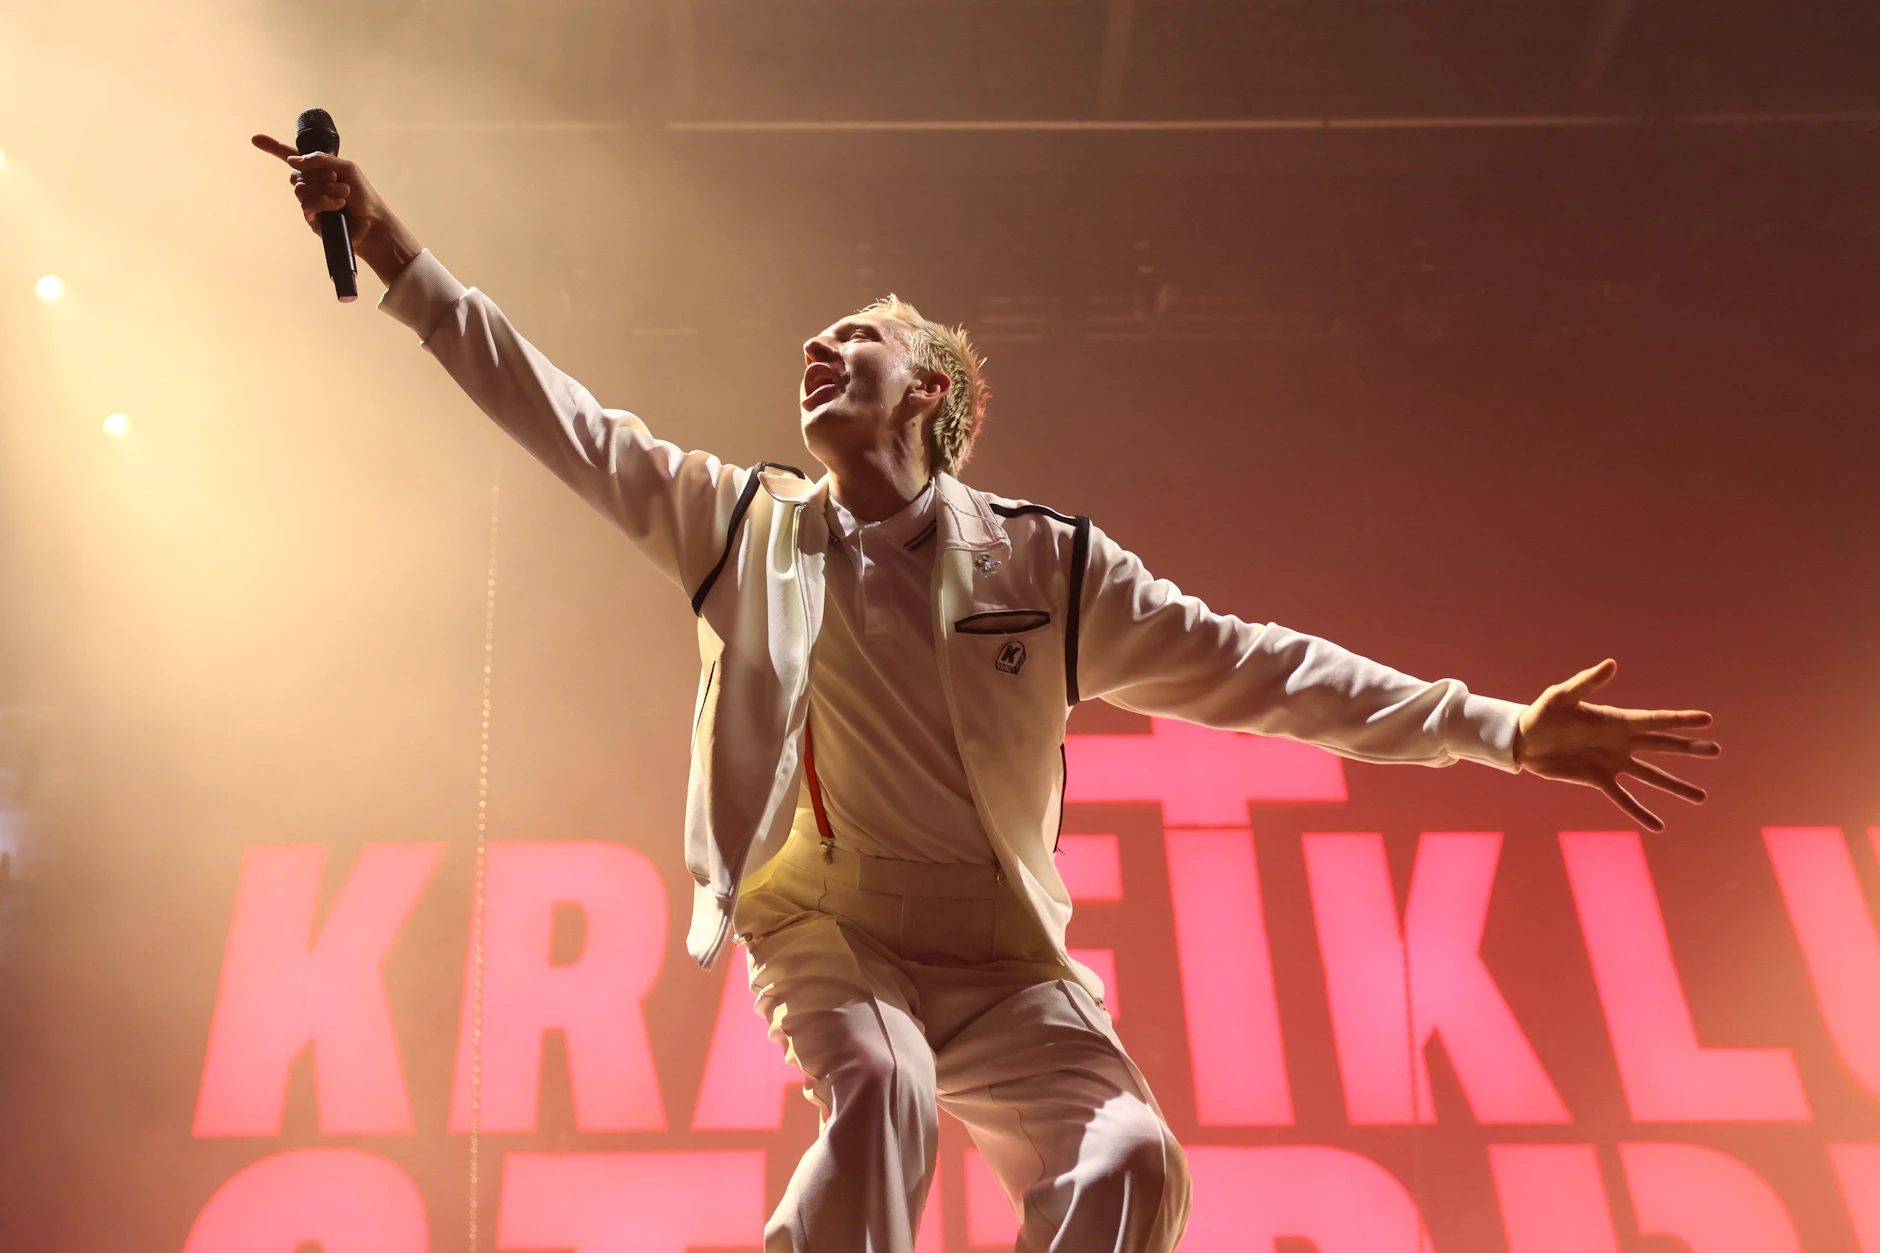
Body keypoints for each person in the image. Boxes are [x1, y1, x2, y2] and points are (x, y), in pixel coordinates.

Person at [254, 134, 1720, 1253]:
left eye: (861, 339)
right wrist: (385, 240)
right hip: (829, 930)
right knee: (882, 1097)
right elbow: (558, 412)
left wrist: (1502, 728)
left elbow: (1268, 669)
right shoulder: (741, 525)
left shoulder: (1053, 567)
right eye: (817, 342)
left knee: (1136, 1159)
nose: (821, 350)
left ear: (933, 397)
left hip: (1006, 962)